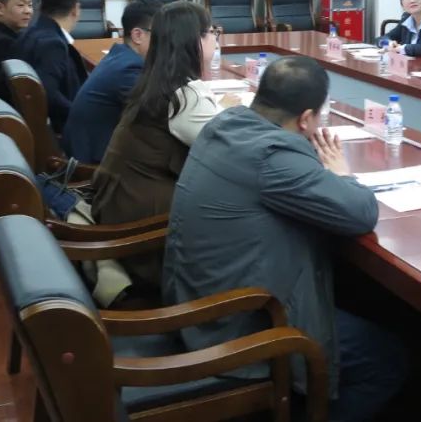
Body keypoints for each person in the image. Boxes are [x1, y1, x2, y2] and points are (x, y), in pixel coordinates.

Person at [164, 56, 407, 421]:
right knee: (386, 359)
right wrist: (341, 174)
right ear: (306, 119)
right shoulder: (273, 156)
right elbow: (359, 212)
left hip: (198, 297)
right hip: (238, 325)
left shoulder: (226, 124)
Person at [91, 1, 229, 298]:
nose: (216, 39)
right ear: (193, 40)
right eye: (211, 32)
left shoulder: (160, 80)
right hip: (147, 233)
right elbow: (236, 154)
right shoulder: (184, 96)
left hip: (122, 204)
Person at [60, 0, 162, 164]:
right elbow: (159, 114)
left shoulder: (120, 56)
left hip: (87, 150)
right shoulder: (129, 69)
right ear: (138, 35)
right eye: (163, 35)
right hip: (93, 164)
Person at [10, 0, 87, 133]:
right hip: (61, 130)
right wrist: (80, 115)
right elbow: (48, 94)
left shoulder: (29, 32)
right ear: (75, 9)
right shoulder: (52, 44)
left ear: (41, 5)